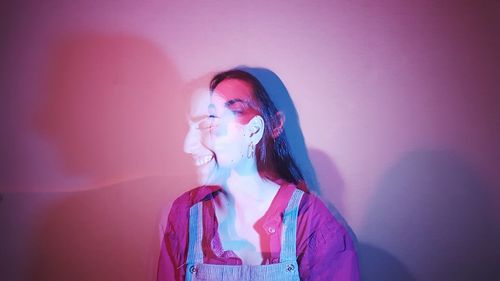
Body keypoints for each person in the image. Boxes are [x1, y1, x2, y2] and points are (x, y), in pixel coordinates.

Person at [157, 69, 359, 280]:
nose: (187, 146)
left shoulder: (312, 224)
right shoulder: (184, 216)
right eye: (190, 127)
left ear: (254, 131)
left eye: (210, 123)